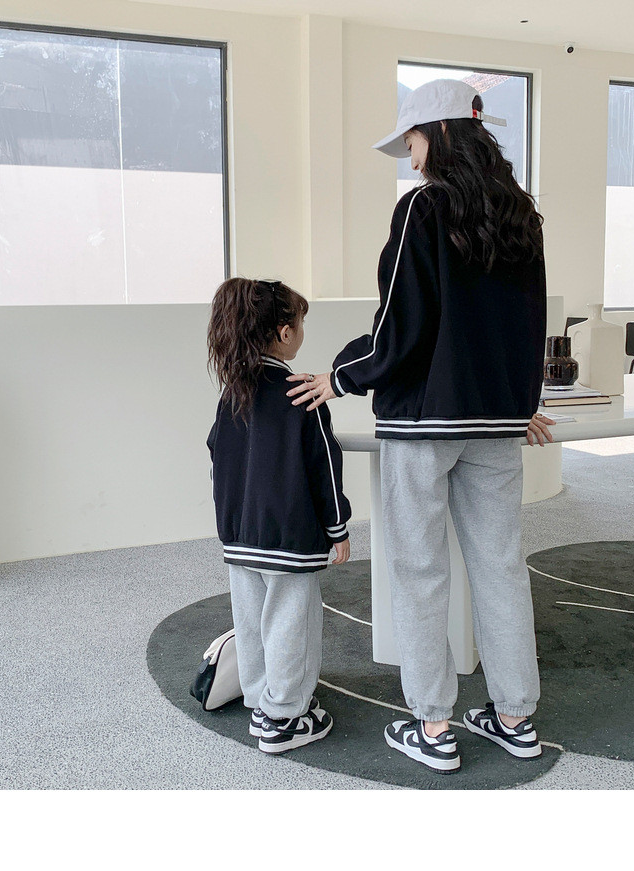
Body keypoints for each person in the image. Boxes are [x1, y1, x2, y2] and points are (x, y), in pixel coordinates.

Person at [287, 79, 555, 774]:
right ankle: (515, 716)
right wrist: (518, 401)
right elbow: (529, 322)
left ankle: (432, 725)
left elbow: (400, 324)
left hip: (424, 421)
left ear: (435, 133)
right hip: (494, 425)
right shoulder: (521, 215)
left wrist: (342, 375)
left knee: (418, 569)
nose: (408, 157)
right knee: (500, 566)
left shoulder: (422, 208)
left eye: (409, 141)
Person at [207, 277, 352, 754]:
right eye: (301, 324)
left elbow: (219, 460)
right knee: (292, 625)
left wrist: (229, 527)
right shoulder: (301, 392)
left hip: (240, 535)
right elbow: (324, 464)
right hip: (290, 536)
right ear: (285, 332)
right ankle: (285, 717)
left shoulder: (232, 391)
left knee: (252, 624)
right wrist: (337, 528)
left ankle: (262, 701)